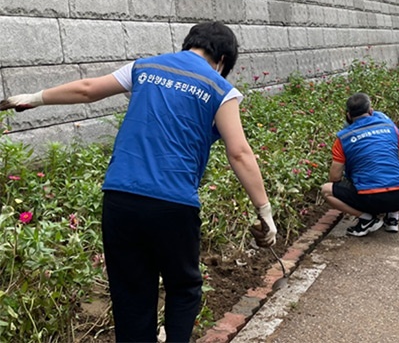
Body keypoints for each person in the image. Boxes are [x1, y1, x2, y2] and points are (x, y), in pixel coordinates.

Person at [0, 21, 277, 342]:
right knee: (184, 287)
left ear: (189, 44)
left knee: (131, 293)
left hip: (120, 198)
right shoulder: (219, 87)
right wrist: (265, 212)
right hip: (174, 204)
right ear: (223, 61)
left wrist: (32, 97)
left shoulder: (145, 67)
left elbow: (88, 89)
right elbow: (240, 153)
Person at [321, 93, 399, 235]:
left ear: (348, 115)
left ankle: (367, 219)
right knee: (393, 172)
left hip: (372, 198)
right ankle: (392, 219)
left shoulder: (344, 137)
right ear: (371, 111)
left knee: (327, 190)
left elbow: (334, 178)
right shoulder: (391, 127)